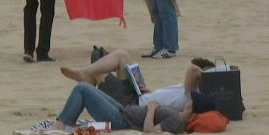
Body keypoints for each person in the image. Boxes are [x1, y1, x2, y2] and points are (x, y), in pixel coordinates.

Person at [60, 48, 228, 110]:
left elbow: (192, 70)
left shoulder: (196, 93)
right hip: (140, 96)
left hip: (132, 104)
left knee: (96, 72)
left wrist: (208, 75)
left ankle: (83, 79)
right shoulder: (191, 90)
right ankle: (83, 80)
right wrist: (152, 91)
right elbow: (171, 97)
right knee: (122, 55)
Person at [45, 82, 190, 134]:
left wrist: (151, 109)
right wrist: (153, 94)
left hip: (121, 120)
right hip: (124, 110)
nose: (189, 102)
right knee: (86, 86)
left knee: (82, 88)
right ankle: (69, 121)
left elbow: (149, 131)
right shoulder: (178, 113)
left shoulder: (176, 121)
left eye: (192, 103)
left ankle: (60, 124)